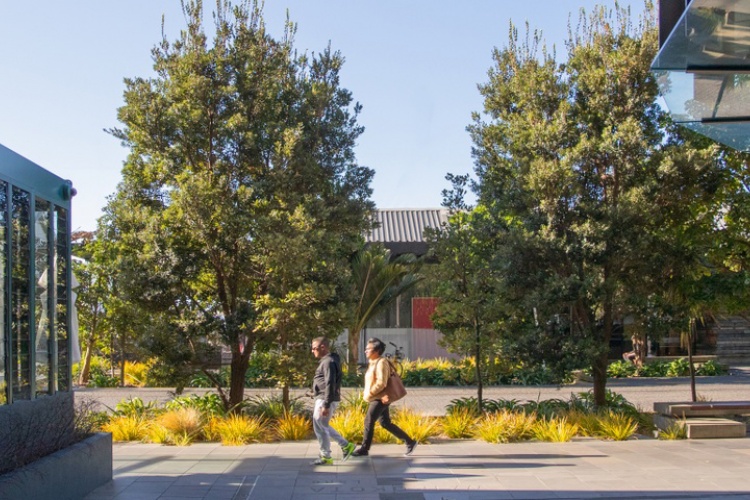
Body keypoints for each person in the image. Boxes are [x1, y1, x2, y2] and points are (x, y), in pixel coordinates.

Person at [352, 337, 417, 457]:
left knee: (368, 421)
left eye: (368, 349)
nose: (365, 351)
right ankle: (410, 441)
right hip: (379, 397)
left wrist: (370, 393)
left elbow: (382, 382)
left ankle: (364, 449)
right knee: (385, 423)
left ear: (376, 351)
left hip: (380, 398)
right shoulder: (373, 362)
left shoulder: (381, 362)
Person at [311, 336, 356, 465]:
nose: (312, 351)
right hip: (323, 397)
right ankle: (328, 454)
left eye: (315, 348)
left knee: (321, 425)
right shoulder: (328, 360)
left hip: (325, 399)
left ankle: (341, 447)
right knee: (320, 426)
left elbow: (330, 383)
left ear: (323, 347)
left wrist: (326, 404)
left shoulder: (328, 362)